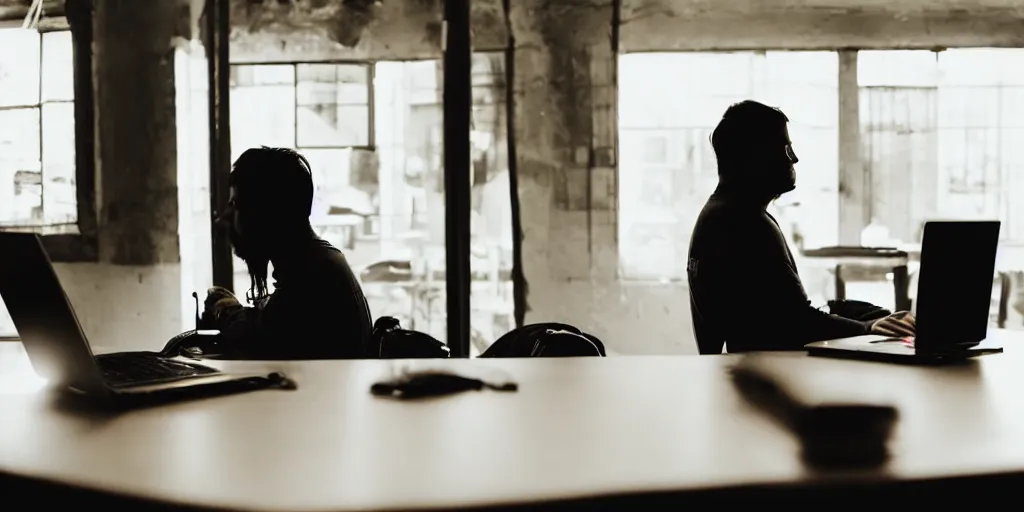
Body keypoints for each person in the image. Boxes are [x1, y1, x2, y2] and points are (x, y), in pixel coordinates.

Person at [686, 100, 915, 354]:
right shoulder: (745, 224)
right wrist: (868, 329)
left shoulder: (722, 215)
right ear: (755, 156)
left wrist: (860, 318)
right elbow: (797, 323)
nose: (794, 158)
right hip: (769, 376)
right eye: (784, 148)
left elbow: (777, 313)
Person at [203, 146, 374, 359]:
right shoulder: (319, 262)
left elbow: (261, 334)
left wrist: (224, 311)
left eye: (236, 205)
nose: (224, 218)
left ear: (266, 213)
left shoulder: (313, 275)